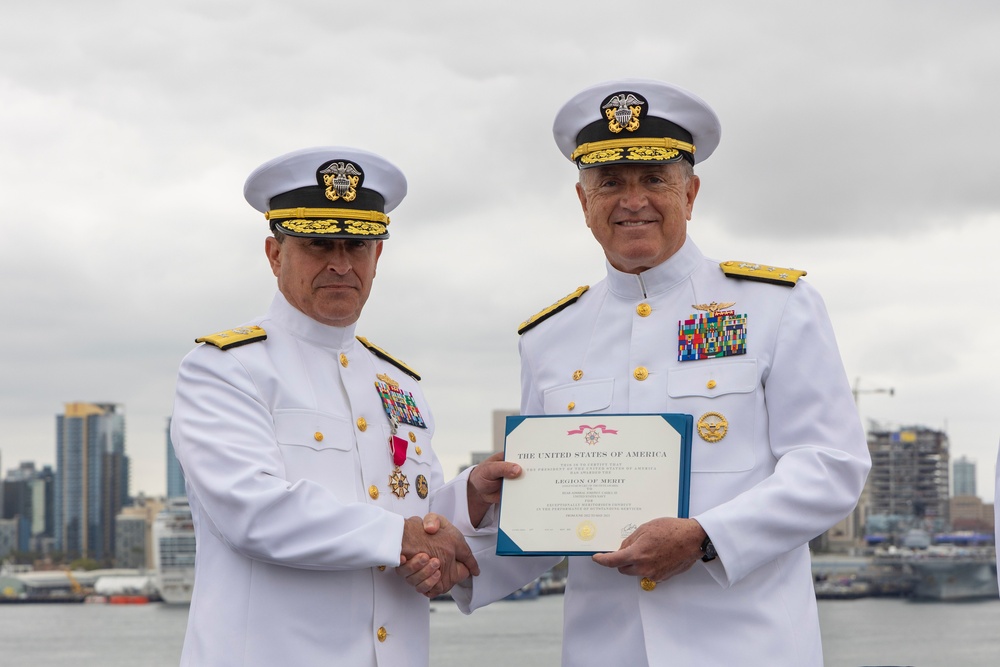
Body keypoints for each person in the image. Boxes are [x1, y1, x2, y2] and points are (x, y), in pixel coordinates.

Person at [444, 79, 872, 665]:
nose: (632, 199)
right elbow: (550, 519)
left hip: (746, 646)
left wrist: (705, 538)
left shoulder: (776, 305)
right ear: (582, 200)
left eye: (654, 179)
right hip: (606, 649)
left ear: (691, 192)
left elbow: (831, 467)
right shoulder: (549, 337)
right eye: (610, 183)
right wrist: (457, 563)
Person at [169, 146, 507, 667]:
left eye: (357, 245)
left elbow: (414, 516)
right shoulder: (224, 368)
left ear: (378, 257)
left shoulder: (399, 383)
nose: (340, 264)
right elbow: (251, 511)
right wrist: (400, 537)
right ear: (274, 254)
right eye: (318, 244)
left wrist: (471, 499)